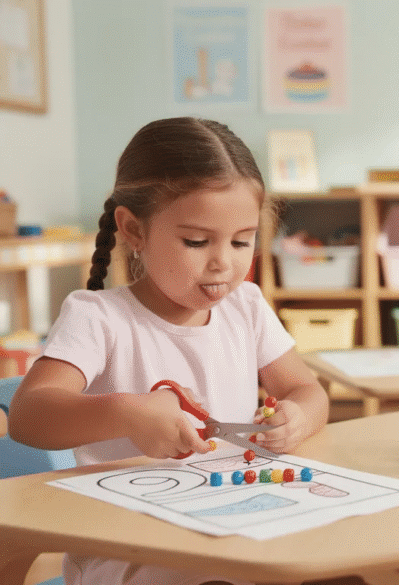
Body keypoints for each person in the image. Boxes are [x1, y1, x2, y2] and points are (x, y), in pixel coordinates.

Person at [8, 117, 329, 585]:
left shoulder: (246, 307)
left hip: (236, 531)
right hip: (129, 552)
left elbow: (308, 389)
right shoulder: (99, 318)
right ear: (133, 230)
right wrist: (126, 413)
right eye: (196, 241)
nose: (224, 262)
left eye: (242, 240)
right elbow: (28, 415)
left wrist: (298, 417)